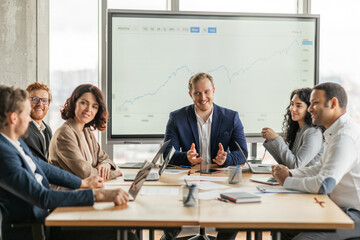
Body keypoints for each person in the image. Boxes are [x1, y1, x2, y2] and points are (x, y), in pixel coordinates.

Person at [0, 85, 130, 240]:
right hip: (36, 231)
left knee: (124, 233)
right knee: (122, 235)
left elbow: (46, 169)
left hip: (46, 219)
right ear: (14, 118)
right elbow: (43, 197)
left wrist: (82, 183)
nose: (30, 119)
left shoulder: (15, 144)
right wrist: (98, 195)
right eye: (27, 114)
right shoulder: (3, 153)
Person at [272, 82, 360, 239]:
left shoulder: (344, 137)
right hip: (336, 208)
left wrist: (286, 181)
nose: (310, 109)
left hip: (353, 215)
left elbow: (323, 185)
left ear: (333, 103)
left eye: (315, 103)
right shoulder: (334, 132)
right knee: (281, 226)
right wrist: (290, 174)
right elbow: (319, 168)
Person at [164, 72, 248, 167]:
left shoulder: (231, 117)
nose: (203, 98)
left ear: (213, 91)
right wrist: (187, 158)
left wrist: (226, 159)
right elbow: (167, 154)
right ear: (190, 95)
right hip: (190, 175)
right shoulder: (176, 118)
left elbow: (242, 153)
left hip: (220, 176)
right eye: (197, 93)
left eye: (207, 91)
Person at [49, 84, 121, 180]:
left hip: (87, 188)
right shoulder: (64, 133)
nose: (88, 110)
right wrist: (114, 173)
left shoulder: (87, 131)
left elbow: (104, 158)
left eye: (94, 107)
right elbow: (84, 172)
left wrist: (105, 165)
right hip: (67, 191)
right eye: (83, 103)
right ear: (74, 103)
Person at [261, 88, 324, 169]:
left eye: (298, 105)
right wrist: (271, 140)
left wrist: (276, 139)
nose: (292, 109)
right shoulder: (299, 130)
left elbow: (295, 165)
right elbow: (286, 162)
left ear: (309, 108)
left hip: (307, 180)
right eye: (292, 104)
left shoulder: (313, 132)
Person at [23, 82, 53, 162]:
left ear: (48, 105)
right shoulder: (22, 129)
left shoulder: (47, 129)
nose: (40, 104)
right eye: (35, 99)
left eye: (44, 100)